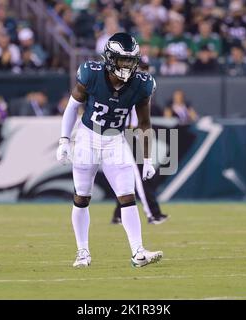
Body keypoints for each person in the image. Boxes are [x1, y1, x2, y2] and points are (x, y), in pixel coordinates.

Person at [56, 32, 163, 268]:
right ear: (110, 58)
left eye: (131, 60)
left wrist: (146, 159)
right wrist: (64, 139)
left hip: (115, 141)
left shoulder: (141, 85)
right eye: (123, 60)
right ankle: (82, 252)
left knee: (127, 197)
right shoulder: (91, 74)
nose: (127, 65)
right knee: (81, 198)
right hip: (87, 138)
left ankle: (138, 252)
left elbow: (144, 124)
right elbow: (73, 107)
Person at [110, 61, 169, 225]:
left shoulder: (140, 87)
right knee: (140, 175)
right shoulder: (128, 87)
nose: (145, 75)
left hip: (131, 133)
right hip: (126, 133)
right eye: (143, 71)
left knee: (130, 177)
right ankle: (153, 214)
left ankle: (118, 214)